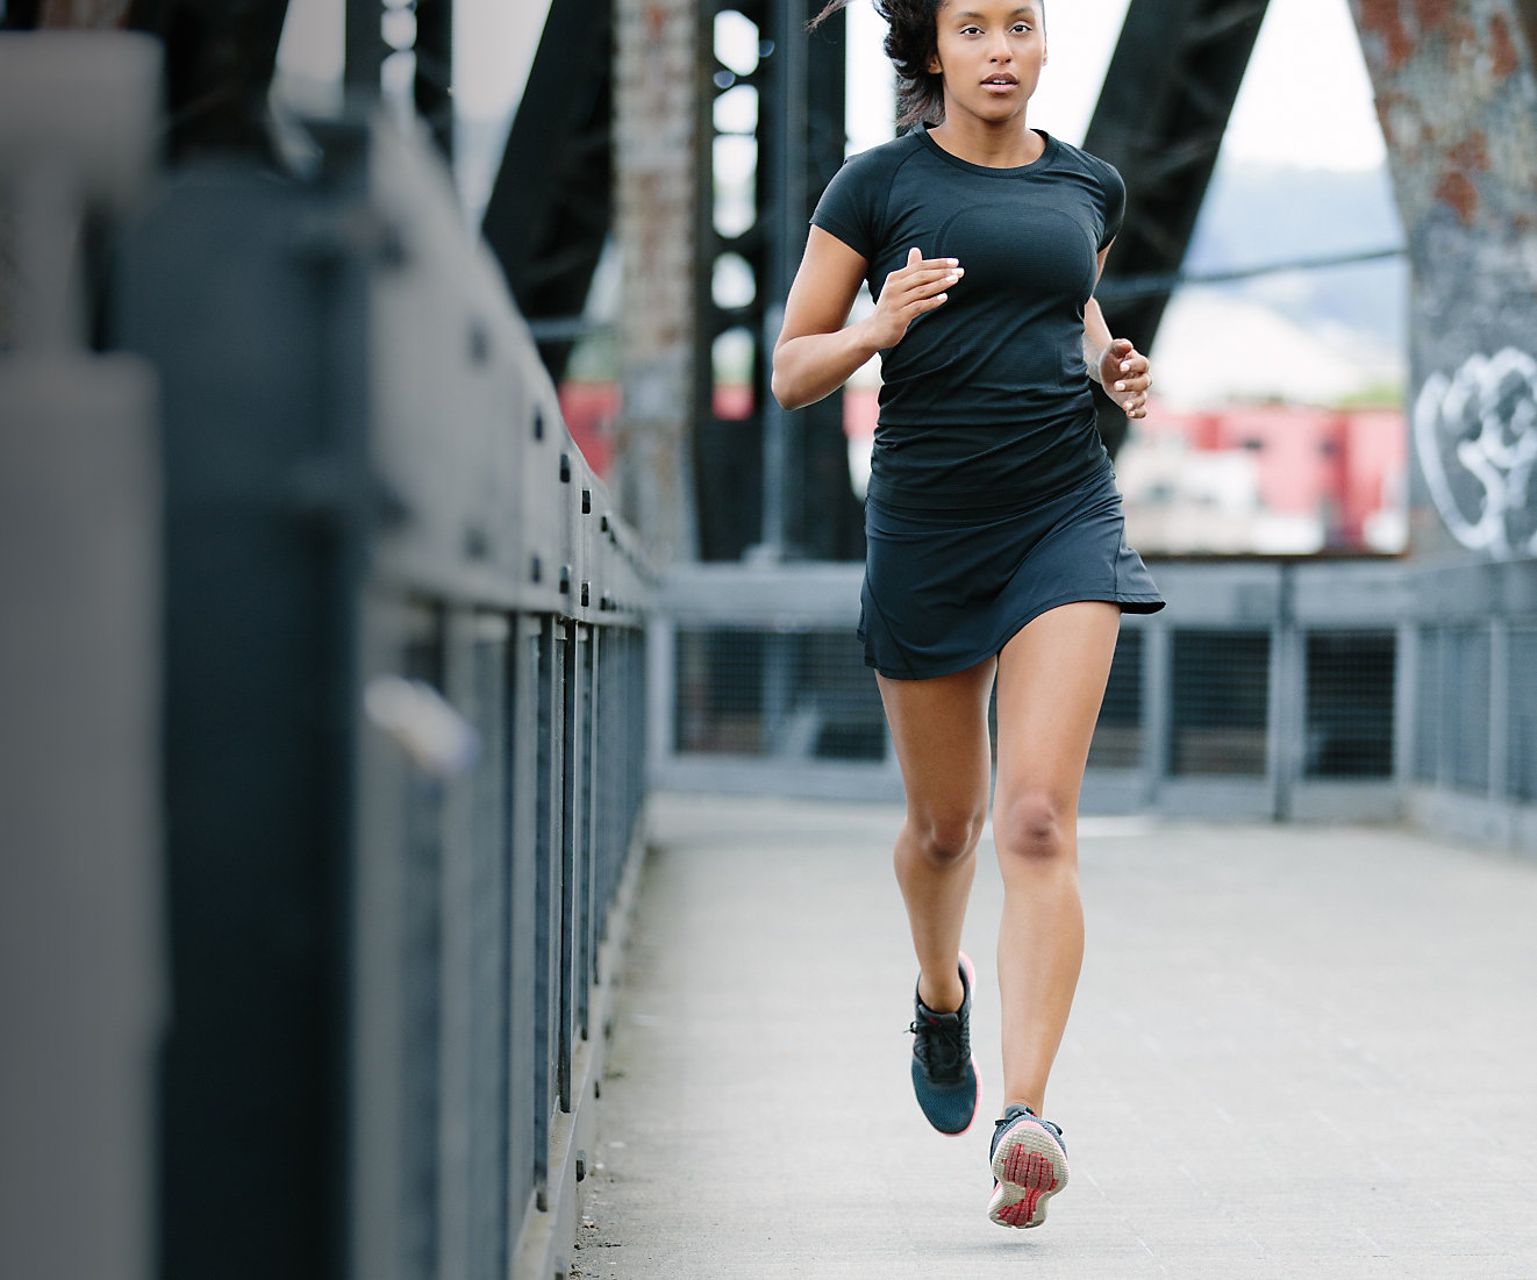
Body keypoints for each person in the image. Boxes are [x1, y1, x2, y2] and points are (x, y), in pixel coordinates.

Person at [772, 0, 1167, 1231]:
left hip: (1063, 511)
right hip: (930, 529)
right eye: (973, 27)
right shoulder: (874, 185)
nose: (1000, 47)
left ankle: (1026, 1115)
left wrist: (1112, 364)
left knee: (1034, 817)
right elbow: (789, 367)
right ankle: (937, 997)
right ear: (932, 52)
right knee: (944, 828)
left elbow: (1068, 312)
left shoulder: (1087, 185)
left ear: (1044, 44)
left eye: (1021, 23)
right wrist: (876, 327)